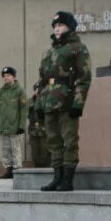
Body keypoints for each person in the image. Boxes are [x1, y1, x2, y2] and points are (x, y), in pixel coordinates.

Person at [37, 11, 92, 193]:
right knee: (53, 141)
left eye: (60, 25)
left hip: (67, 100)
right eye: (55, 26)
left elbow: (84, 78)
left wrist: (78, 103)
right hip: (49, 102)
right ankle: (57, 177)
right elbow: (42, 81)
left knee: (69, 140)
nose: (57, 28)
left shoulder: (78, 48)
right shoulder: (49, 52)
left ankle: (68, 179)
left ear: (70, 27)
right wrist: (38, 105)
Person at [0, 67, 28, 179]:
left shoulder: (19, 91)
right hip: (3, 127)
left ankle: (17, 171)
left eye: (8, 75)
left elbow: (24, 109)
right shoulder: (0, 92)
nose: (6, 78)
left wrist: (21, 125)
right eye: (4, 76)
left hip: (15, 127)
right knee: (5, 149)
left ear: (13, 76)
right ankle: (9, 170)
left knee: (15, 149)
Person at [27, 82, 49, 169]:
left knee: (45, 152)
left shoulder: (47, 101)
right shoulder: (30, 102)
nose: (38, 91)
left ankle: (46, 170)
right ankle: (37, 169)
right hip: (33, 131)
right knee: (35, 153)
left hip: (45, 130)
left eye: (40, 89)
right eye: (36, 89)